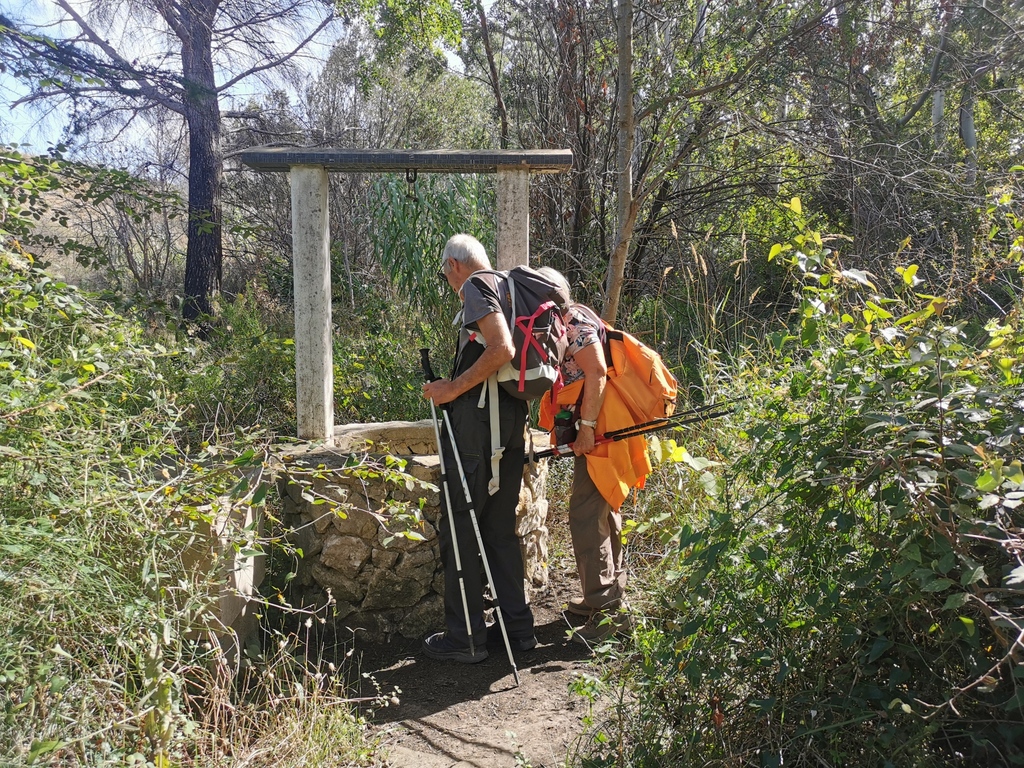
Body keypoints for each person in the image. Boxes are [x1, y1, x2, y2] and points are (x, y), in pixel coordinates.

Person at [421, 233, 537, 663]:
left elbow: (502, 347)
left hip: (477, 431)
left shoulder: (474, 287)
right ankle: (518, 630)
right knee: (499, 530)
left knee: (462, 529)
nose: (448, 280)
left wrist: (451, 389)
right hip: (509, 425)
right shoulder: (509, 286)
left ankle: (466, 638)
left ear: (454, 264)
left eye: (444, 272)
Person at [536, 266, 651, 644]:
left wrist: (585, 428)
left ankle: (607, 614)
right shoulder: (575, 316)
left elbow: (597, 372)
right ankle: (601, 598)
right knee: (602, 509)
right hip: (603, 429)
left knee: (586, 515)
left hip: (601, 431)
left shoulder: (573, 324)